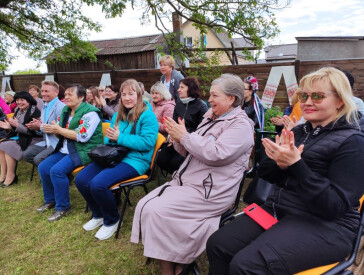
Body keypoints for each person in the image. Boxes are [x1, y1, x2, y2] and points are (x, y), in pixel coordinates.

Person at [206, 67, 364, 274]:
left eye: (317, 96)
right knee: (218, 244)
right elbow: (268, 174)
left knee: (246, 265)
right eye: (303, 95)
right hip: (281, 208)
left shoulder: (354, 142)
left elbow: (333, 206)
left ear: (340, 101)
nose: (307, 102)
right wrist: (278, 163)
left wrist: (296, 165)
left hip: (327, 225)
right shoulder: (300, 130)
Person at [131, 74, 254, 274]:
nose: (209, 100)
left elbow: (216, 154)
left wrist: (185, 137)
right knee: (147, 206)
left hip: (211, 191)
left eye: (214, 96)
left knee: (156, 210)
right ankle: (176, 263)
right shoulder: (211, 117)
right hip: (190, 182)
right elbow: (191, 150)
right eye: (210, 95)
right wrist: (179, 139)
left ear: (231, 99)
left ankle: (176, 265)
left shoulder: (241, 125)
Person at [75, 79, 158, 240]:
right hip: (114, 156)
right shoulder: (119, 114)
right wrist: (112, 138)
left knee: (98, 184)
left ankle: (112, 220)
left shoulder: (148, 116)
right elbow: (108, 140)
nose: (127, 98)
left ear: (139, 95)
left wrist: (119, 137)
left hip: (136, 160)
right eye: (124, 94)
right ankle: (98, 214)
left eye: (131, 94)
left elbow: (147, 143)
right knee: (81, 180)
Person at [36, 84, 103, 221]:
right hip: (66, 148)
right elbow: (59, 130)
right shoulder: (66, 110)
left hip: (82, 150)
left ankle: (63, 207)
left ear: (81, 97)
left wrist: (58, 130)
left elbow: (82, 136)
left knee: (57, 171)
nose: (66, 97)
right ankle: (50, 200)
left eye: (70, 94)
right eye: (65, 94)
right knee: (43, 167)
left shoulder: (91, 113)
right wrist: (53, 130)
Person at [157, 77, 208, 174]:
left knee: (174, 163)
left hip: (189, 142)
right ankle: (178, 175)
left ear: (191, 88)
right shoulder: (179, 104)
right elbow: (174, 123)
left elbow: (202, 130)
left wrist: (183, 135)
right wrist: (171, 135)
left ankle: (182, 176)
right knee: (160, 160)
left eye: (182, 87)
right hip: (175, 140)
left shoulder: (201, 106)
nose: (178, 90)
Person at [0, 92, 41, 187]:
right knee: (1, 145)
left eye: (22, 100)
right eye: (17, 100)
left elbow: (32, 132)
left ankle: (11, 175)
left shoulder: (35, 111)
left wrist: (17, 125)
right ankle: (3, 174)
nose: (19, 102)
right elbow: (15, 128)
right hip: (21, 137)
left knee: (7, 145)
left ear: (29, 100)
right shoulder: (18, 110)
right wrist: (9, 127)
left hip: (34, 139)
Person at [23, 80, 65, 167]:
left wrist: (40, 126)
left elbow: (59, 130)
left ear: (56, 92)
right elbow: (43, 128)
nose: (43, 93)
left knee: (38, 159)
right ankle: (49, 171)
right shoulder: (45, 106)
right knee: (27, 155)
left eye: (46, 91)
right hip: (46, 141)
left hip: (58, 142)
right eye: (42, 91)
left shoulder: (61, 107)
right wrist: (36, 127)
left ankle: (60, 174)